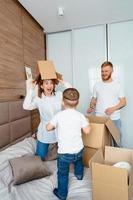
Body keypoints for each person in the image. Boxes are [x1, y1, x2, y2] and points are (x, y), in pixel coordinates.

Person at [46, 88, 91, 200]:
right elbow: (87, 131)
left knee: (62, 174)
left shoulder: (58, 116)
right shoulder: (81, 116)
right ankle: (79, 176)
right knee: (78, 162)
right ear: (78, 102)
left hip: (64, 153)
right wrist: (88, 122)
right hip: (78, 150)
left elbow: (48, 128)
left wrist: (53, 125)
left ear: (62, 102)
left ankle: (62, 194)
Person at [23, 74, 71, 161]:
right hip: (45, 131)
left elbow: (72, 94)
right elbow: (26, 106)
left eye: (51, 83)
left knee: (67, 155)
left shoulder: (59, 95)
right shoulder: (38, 99)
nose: (49, 86)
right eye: (46, 83)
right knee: (39, 158)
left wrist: (63, 82)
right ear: (41, 86)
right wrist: (31, 90)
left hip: (59, 130)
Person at [87, 61, 126, 146]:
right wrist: (91, 107)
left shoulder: (117, 85)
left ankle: (117, 159)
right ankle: (102, 159)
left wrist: (113, 109)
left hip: (114, 119)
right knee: (100, 144)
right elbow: (94, 99)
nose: (104, 73)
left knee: (117, 143)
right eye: (102, 71)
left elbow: (123, 102)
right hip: (99, 119)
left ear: (112, 71)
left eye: (106, 71)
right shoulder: (96, 85)